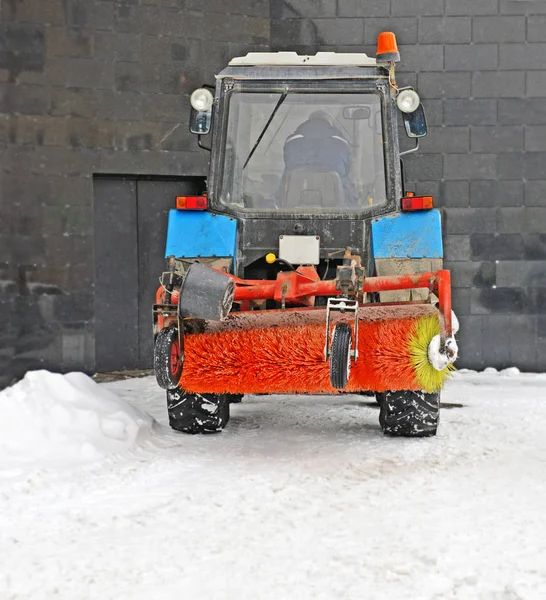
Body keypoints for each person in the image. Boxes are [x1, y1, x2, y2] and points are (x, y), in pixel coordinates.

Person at [283, 110, 355, 206]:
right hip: (336, 200)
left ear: (310, 121)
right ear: (329, 123)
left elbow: (287, 161)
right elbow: (348, 168)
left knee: (284, 182)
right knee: (348, 194)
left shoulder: (292, 140)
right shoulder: (342, 142)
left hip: (293, 195)